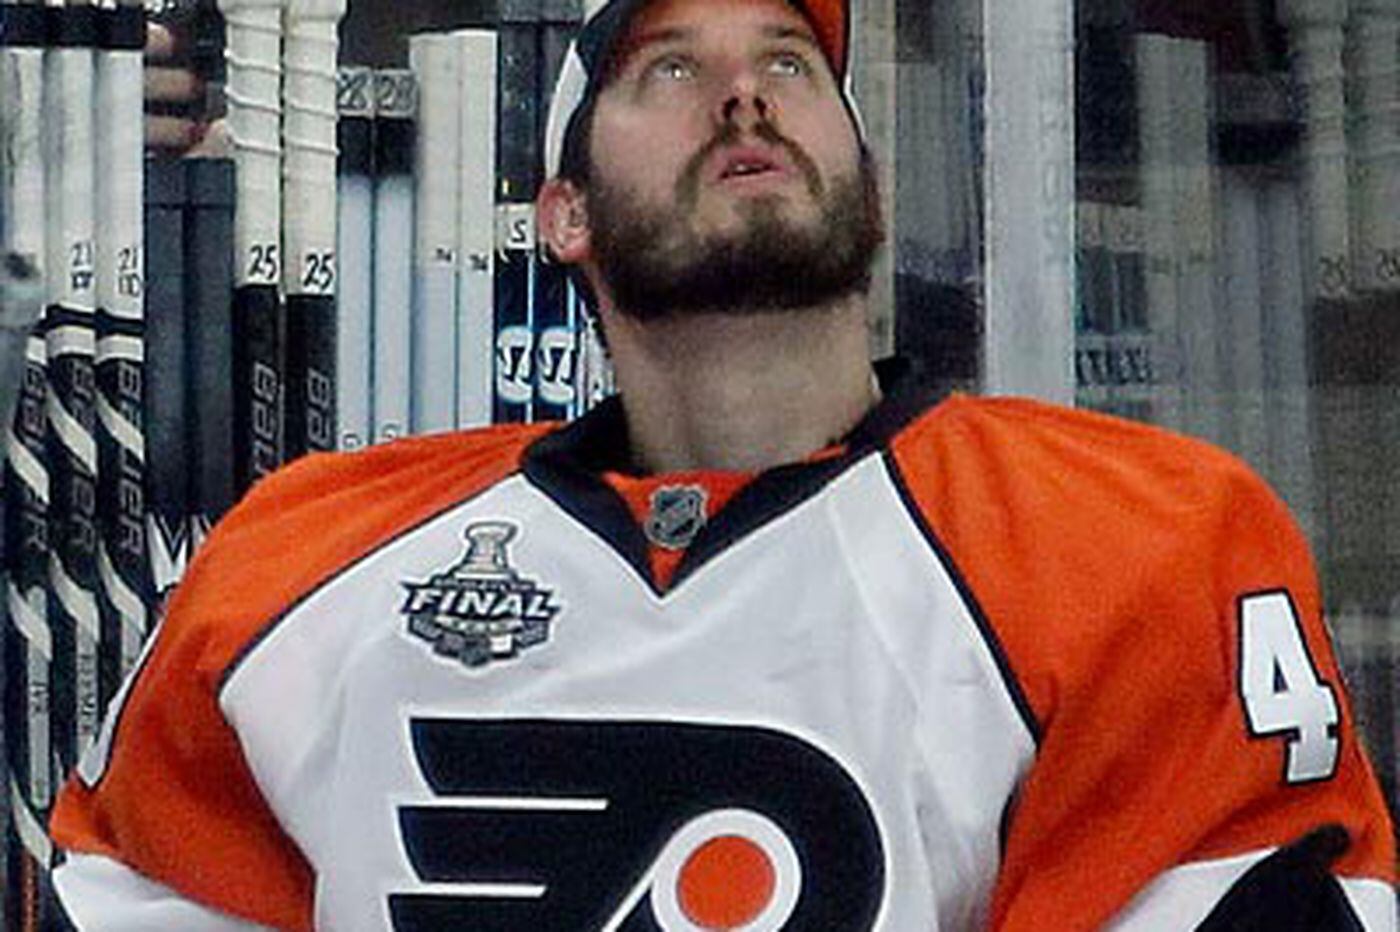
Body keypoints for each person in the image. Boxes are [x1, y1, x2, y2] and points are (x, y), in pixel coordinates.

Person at [47, 0, 1398, 928]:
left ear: (871, 189)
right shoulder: (299, 564)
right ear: (564, 214)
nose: (747, 91)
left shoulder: (1142, 546)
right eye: (671, 71)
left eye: (792, 64)